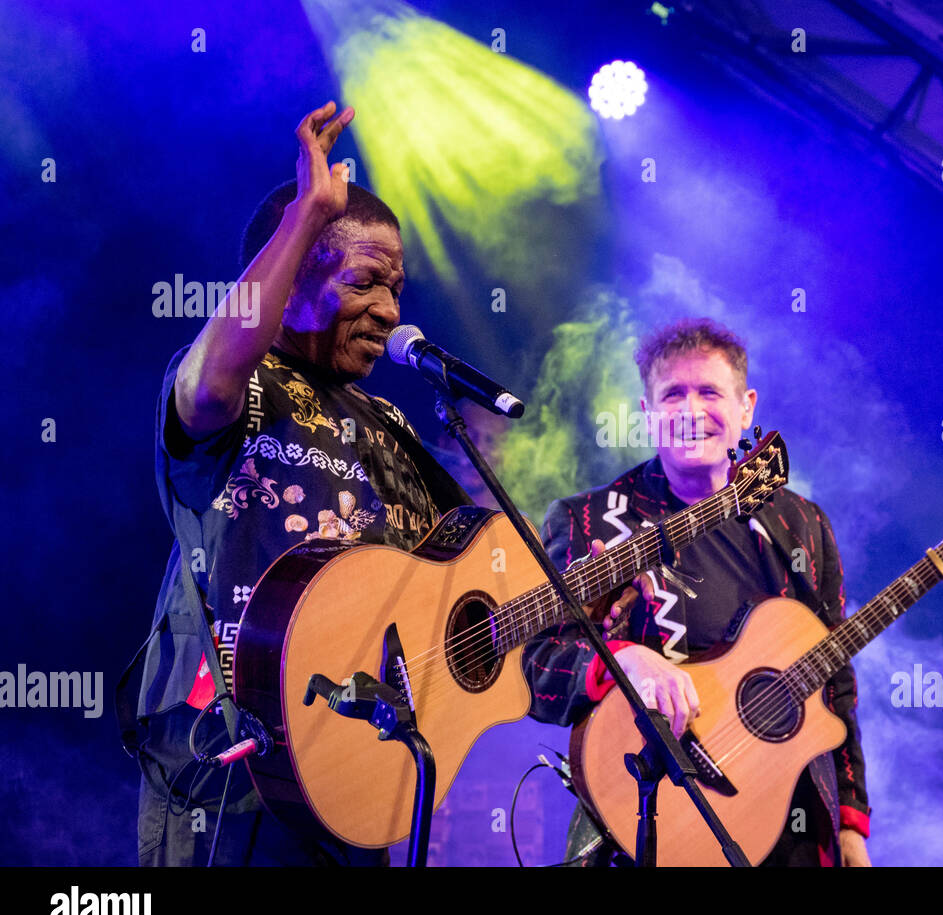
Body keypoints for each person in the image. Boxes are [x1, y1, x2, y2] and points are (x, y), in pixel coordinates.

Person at [126, 102, 471, 866]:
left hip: (353, 782)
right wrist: (309, 214)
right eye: (367, 283)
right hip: (224, 775)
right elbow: (211, 381)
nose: (390, 310)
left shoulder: (388, 424)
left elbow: (440, 594)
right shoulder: (238, 384)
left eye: (398, 288)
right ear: (294, 279)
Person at [523, 319, 872, 866]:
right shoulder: (585, 520)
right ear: (646, 412)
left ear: (746, 407)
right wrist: (625, 660)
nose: (690, 411)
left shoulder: (802, 524)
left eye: (709, 392)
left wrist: (850, 823)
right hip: (649, 825)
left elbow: (836, 683)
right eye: (672, 394)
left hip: (791, 823)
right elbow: (538, 668)